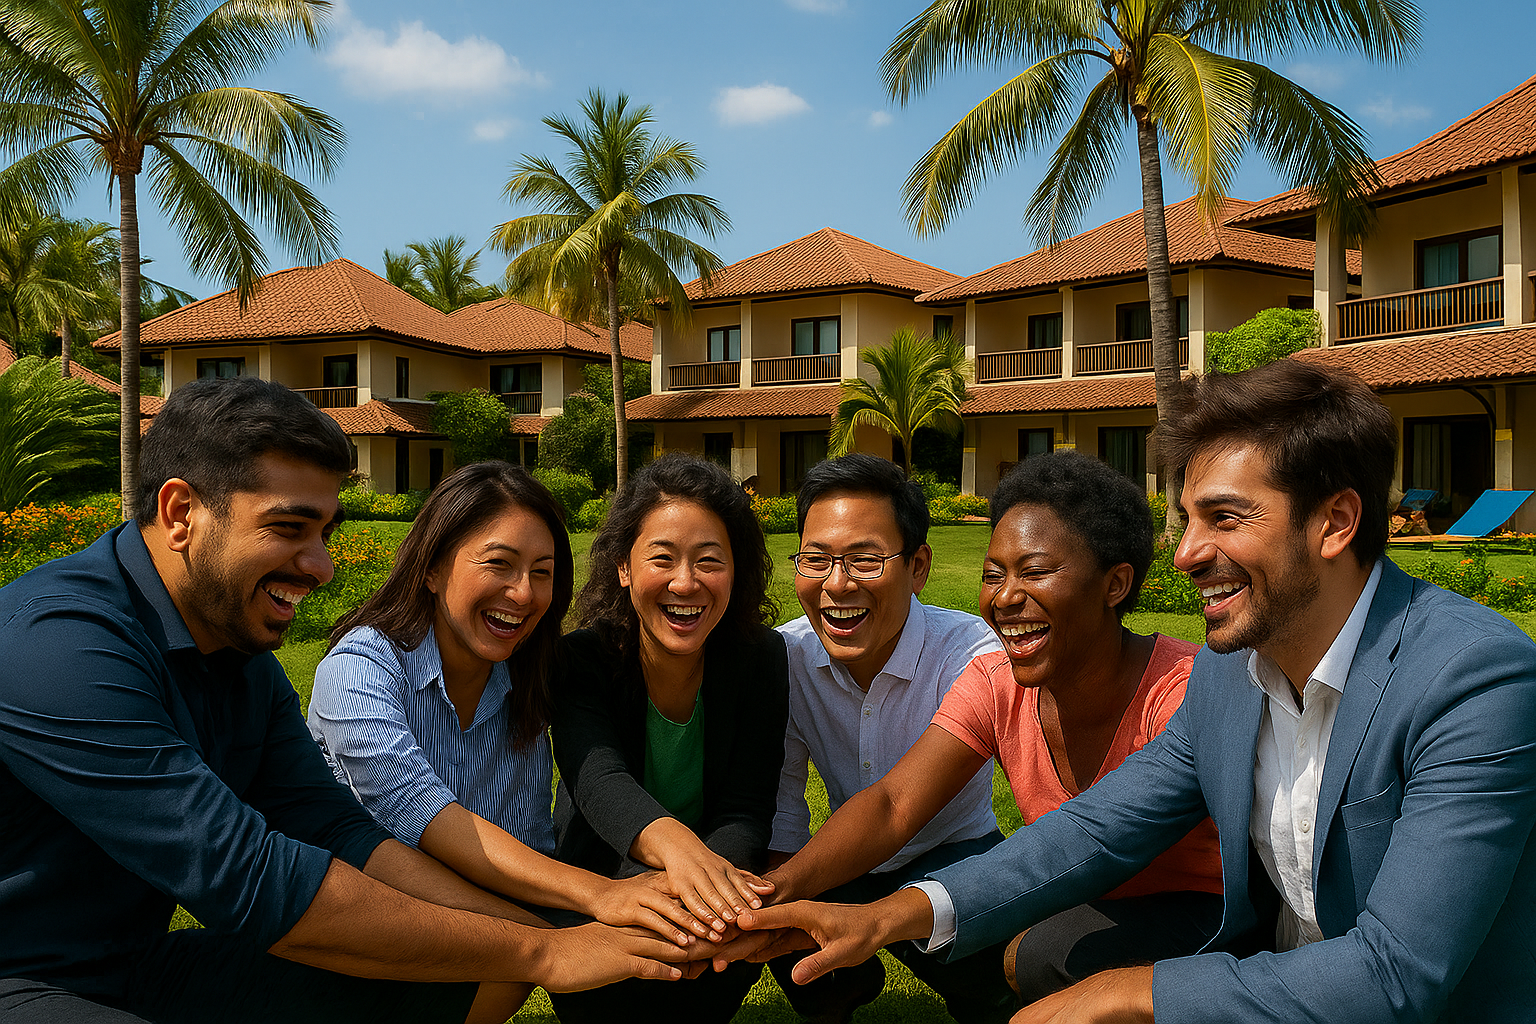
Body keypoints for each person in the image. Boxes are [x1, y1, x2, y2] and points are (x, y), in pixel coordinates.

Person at [729, 359, 1536, 1024]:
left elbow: (1400, 973)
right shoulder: (1234, 673)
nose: (1185, 555)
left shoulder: (1470, 679)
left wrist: (1133, 989)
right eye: (1185, 519)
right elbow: (1094, 830)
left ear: (1334, 522)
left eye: (1223, 518)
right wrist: (885, 916)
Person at [0, 378, 699, 1024]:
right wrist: (545, 951)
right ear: (181, 512)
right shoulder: (59, 644)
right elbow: (246, 874)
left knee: (459, 972)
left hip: (135, 969)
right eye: (288, 527)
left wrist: (534, 934)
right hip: (19, 978)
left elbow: (338, 831)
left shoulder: (236, 657)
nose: (321, 566)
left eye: (326, 533)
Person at [761, 451, 1222, 1012]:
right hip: (1087, 896)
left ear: (1115, 584)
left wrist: (883, 918)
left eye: (1034, 572)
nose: (1004, 597)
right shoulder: (999, 680)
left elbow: (1092, 841)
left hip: (1213, 914)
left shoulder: (1183, 691)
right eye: (993, 574)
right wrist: (772, 897)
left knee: (1041, 952)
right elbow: (891, 803)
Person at [307, 462, 715, 947]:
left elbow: (529, 843)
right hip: (357, 921)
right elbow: (423, 814)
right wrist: (594, 900)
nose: (523, 593)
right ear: (433, 568)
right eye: (499, 564)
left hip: (477, 930)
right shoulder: (359, 669)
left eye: (541, 573)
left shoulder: (524, 682)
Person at [765, 452, 1012, 1023]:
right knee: (800, 951)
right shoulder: (787, 657)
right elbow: (782, 805)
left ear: (918, 566)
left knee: (995, 990)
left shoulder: (968, 653)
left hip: (956, 853)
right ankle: (839, 993)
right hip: (841, 862)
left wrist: (776, 896)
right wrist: (781, 900)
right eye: (815, 559)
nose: (836, 584)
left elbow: (897, 806)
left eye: (866, 561)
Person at [546, 453, 790, 1024]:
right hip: (603, 880)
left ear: (738, 569)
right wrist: (683, 864)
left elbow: (746, 805)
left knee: (728, 932)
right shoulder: (581, 661)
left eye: (710, 560)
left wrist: (709, 893)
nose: (686, 583)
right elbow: (598, 783)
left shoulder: (760, 658)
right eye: (663, 558)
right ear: (624, 566)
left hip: (714, 879)